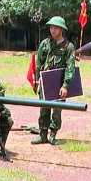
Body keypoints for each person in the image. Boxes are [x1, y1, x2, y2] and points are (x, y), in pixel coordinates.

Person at [32, 16, 75, 146]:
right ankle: (42, 135)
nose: (53, 30)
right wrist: (37, 79)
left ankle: (52, 135)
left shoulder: (68, 47)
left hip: (59, 82)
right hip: (46, 81)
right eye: (51, 27)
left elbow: (70, 67)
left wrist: (66, 85)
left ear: (61, 29)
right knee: (44, 109)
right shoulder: (45, 44)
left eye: (55, 28)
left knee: (57, 110)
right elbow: (38, 62)